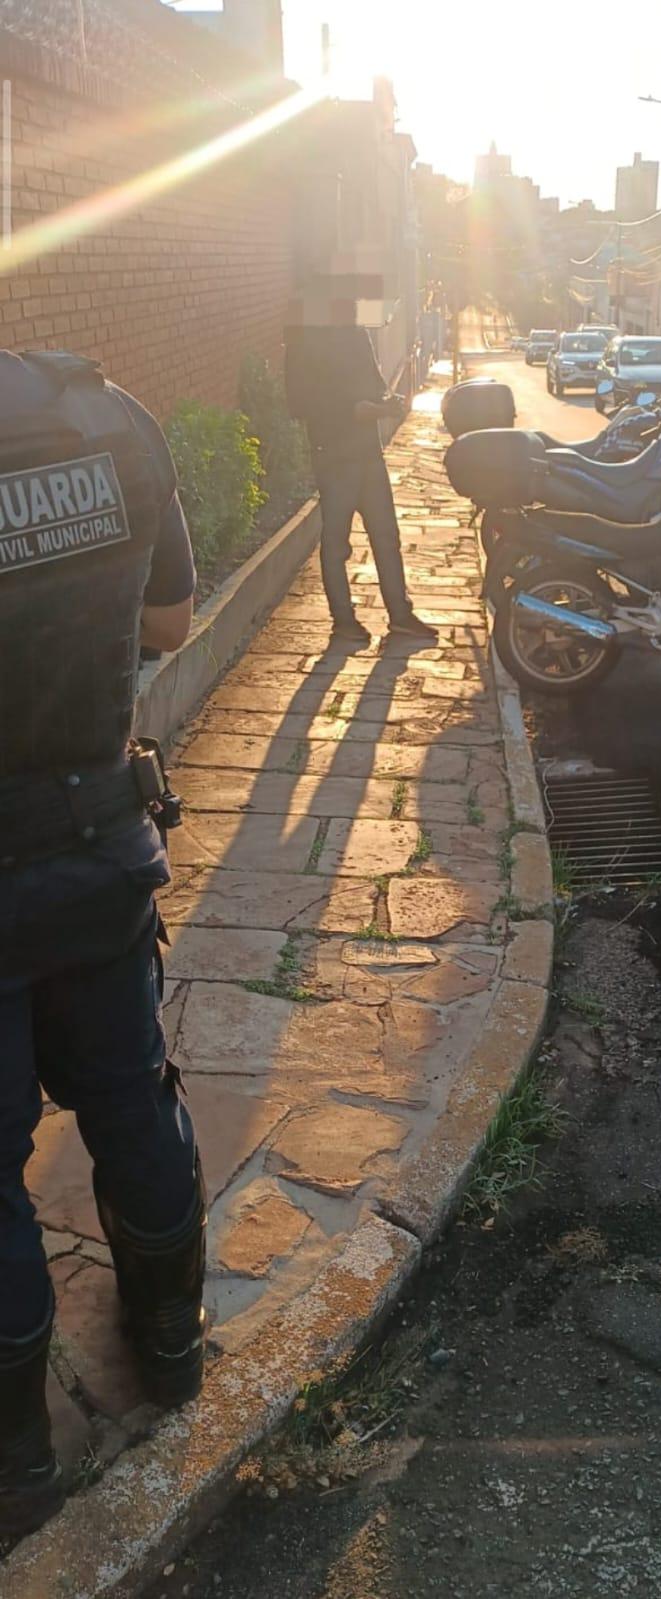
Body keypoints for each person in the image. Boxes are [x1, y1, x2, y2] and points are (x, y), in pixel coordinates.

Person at [0, 349, 206, 1537]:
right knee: (132, 1097)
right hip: (97, 854)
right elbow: (170, 617)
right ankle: (170, 1346)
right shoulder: (109, 416)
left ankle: (16, 1462)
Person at [284, 325, 436, 644]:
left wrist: (386, 401)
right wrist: (368, 410)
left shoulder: (355, 333)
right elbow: (305, 404)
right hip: (334, 456)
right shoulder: (305, 340)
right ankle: (344, 620)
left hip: (366, 453)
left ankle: (400, 615)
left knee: (386, 536)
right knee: (337, 542)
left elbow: (373, 385)